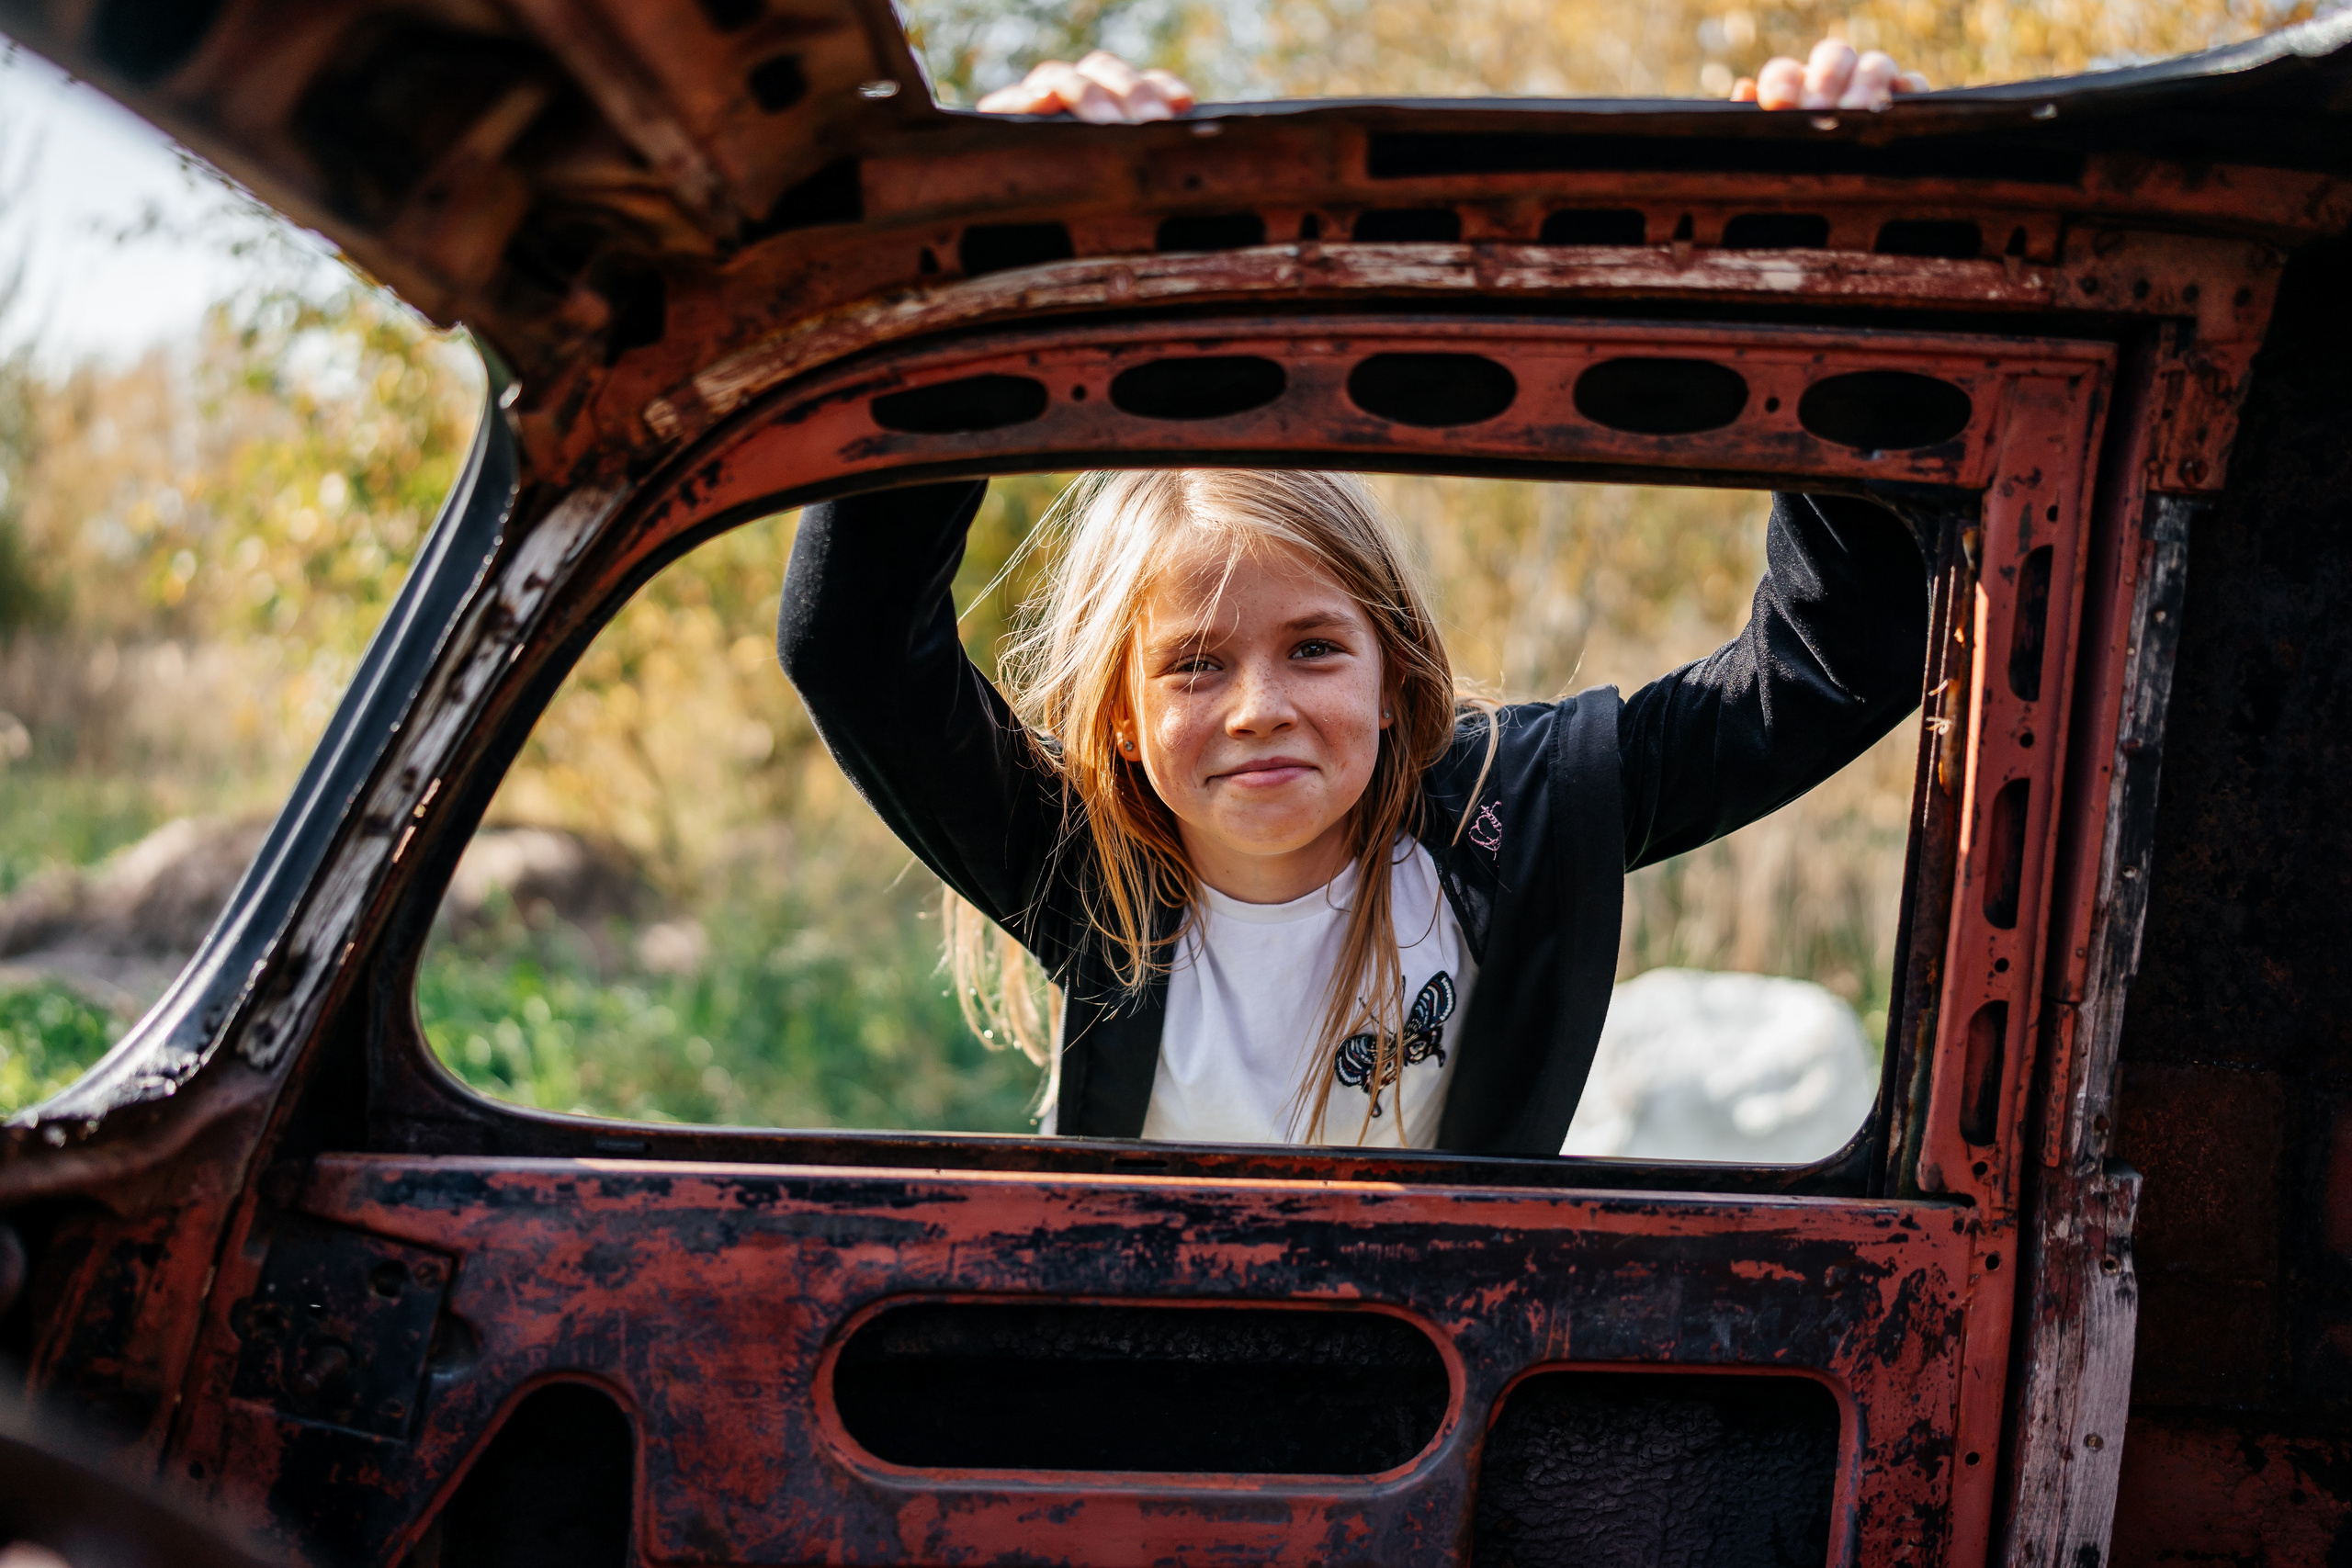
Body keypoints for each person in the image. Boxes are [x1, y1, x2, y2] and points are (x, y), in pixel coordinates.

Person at [775, 44, 1932, 1157]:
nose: (1259, 707)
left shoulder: (1514, 817)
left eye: (1315, 648)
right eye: (1193, 664)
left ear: (1394, 679)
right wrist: (982, 257)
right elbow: (858, 649)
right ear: (1120, 714)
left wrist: (1839, 260)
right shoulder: (1086, 870)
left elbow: (1829, 668)